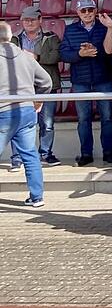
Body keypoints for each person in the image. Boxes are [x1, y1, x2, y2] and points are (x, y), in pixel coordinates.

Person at [0, 21, 53, 206]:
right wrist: (38, 100)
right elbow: (47, 82)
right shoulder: (26, 56)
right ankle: (37, 197)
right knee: (30, 155)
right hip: (27, 111)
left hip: (3, 112)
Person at [59, 0, 112, 166]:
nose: (87, 13)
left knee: (107, 117)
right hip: (80, 81)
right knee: (83, 119)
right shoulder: (70, 30)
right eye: (83, 10)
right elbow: (64, 54)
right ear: (77, 13)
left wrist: (96, 51)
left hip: (103, 78)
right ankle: (86, 153)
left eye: (90, 10)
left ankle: (108, 152)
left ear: (95, 11)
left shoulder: (104, 27)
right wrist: (80, 54)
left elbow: (111, 53)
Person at [10, 7, 61, 168]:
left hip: (45, 87)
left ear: (40, 20)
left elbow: (56, 56)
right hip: (22, 87)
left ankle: (45, 154)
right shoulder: (14, 39)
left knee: (47, 123)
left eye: (32, 19)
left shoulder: (51, 37)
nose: (29, 22)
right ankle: (17, 158)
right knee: (19, 123)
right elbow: (9, 59)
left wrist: (35, 56)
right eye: (26, 20)